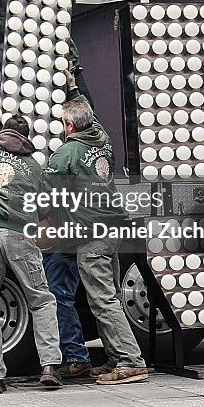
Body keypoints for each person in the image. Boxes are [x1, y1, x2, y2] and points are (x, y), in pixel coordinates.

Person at [45, 97, 149, 385]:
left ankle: (130, 362)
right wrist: (74, 85)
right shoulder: (102, 138)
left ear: (68, 126)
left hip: (91, 235)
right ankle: (117, 357)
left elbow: (46, 194)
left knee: (103, 301)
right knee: (111, 297)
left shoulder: (66, 154)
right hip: (113, 227)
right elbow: (91, 114)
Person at [0, 108, 63, 394]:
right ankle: (49, 366)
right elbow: (46, 207)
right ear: (26, 139)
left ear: (1, 133)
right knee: (41, 300)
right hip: (20, 235)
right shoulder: (34, 167)